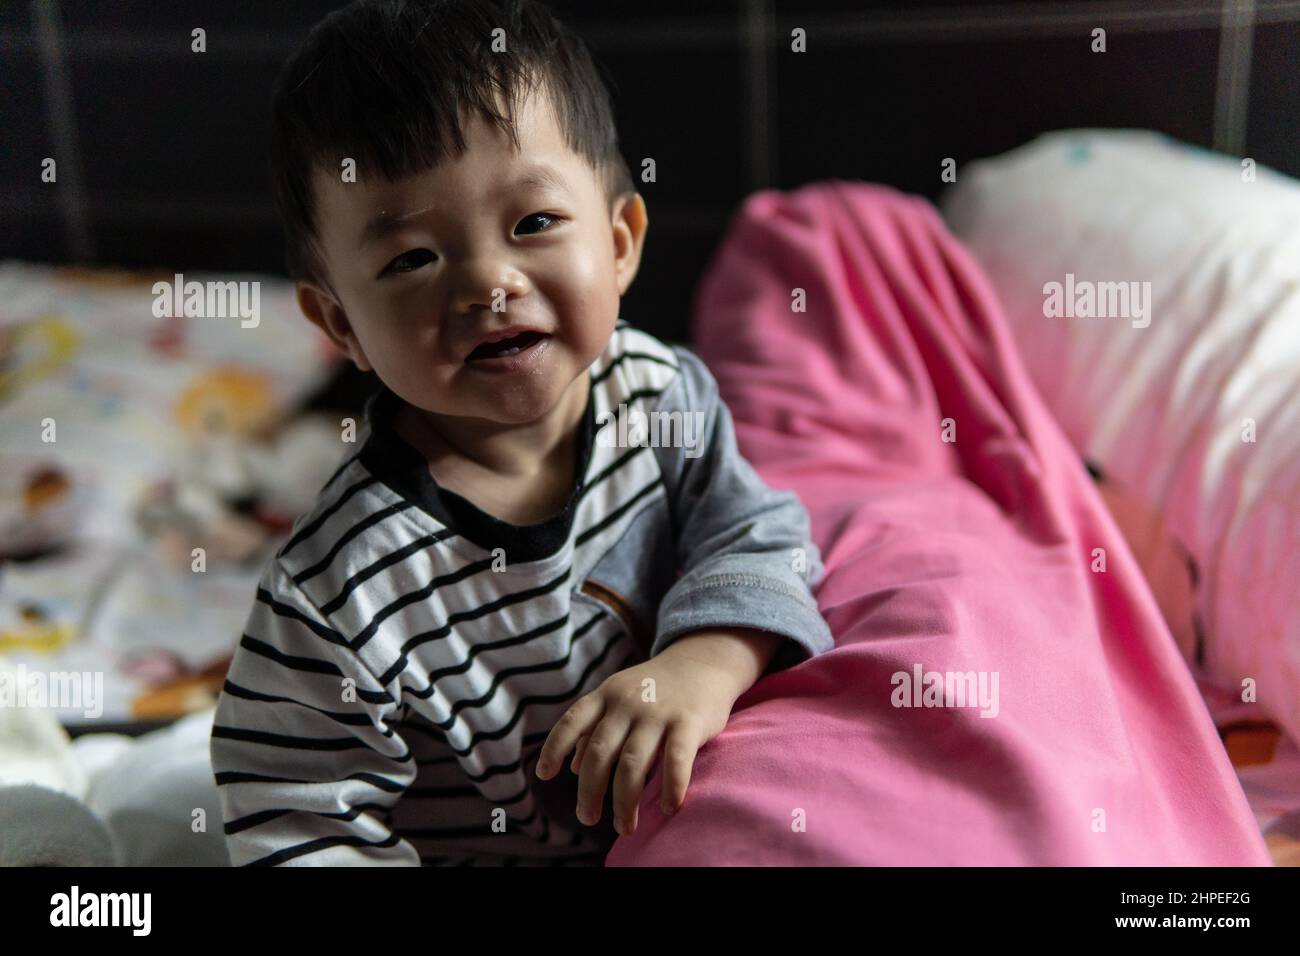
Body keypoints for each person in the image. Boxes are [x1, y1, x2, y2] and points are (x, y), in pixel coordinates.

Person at [210, 0, 833, 866]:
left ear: (620, 243)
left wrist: (707, 658)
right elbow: (296, 815)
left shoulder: (656, 394)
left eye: (533, 223)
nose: (488, 285)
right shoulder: (335, 587)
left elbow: (761, 535)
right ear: (340, 323)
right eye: (411, 258)